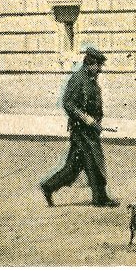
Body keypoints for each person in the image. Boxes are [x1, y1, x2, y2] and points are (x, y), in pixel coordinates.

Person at [39, 45, 118, 207]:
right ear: (91, 63)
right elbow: (68, 103)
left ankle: (48, 186)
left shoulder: (91, 79)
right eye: (98, 66)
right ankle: (100, 198)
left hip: (89, 131)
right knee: (94, 161)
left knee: (73, 168)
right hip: (81, 131)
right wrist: (87, 119)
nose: (100, 70)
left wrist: (96, 121)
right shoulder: (77, 79)